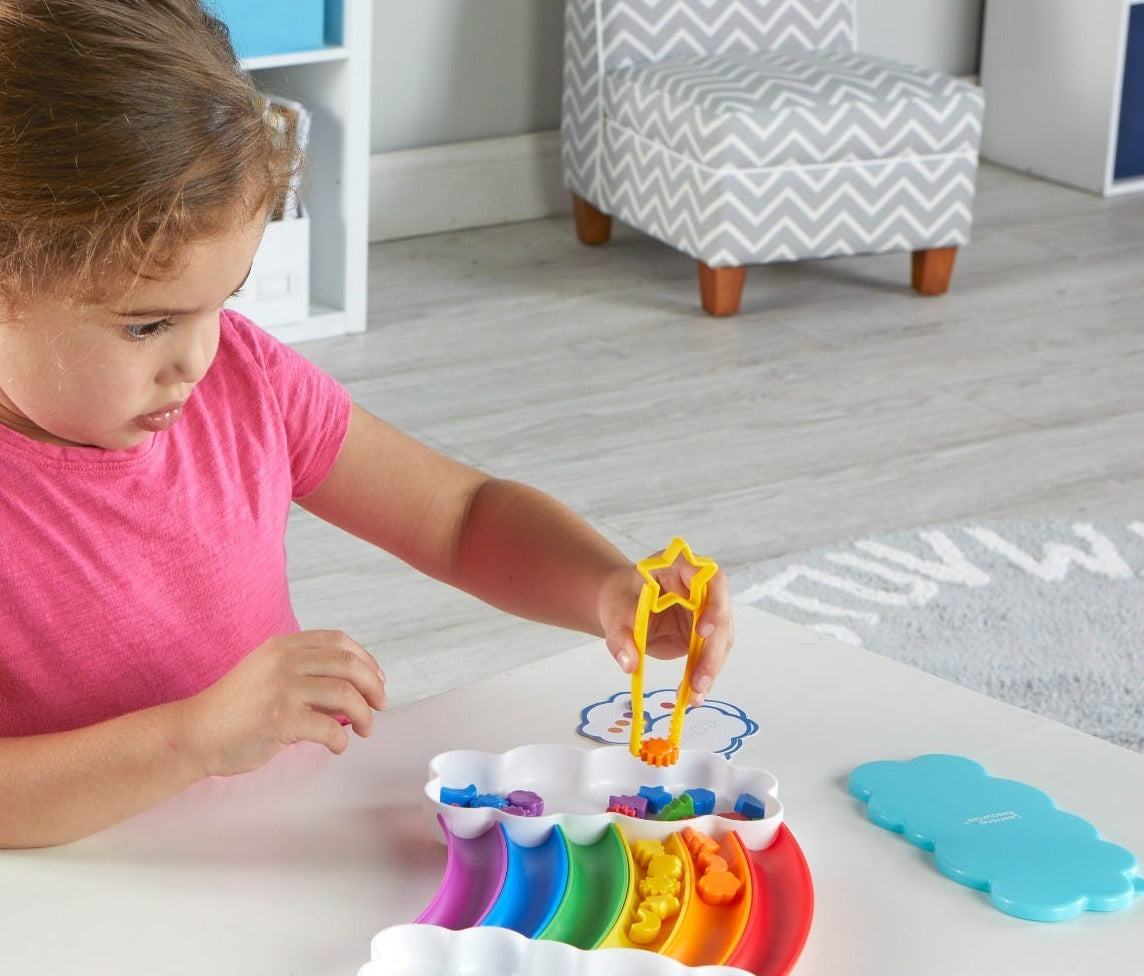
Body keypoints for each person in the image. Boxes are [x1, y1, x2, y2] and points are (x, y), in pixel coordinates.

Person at [0, 0, 733, 849]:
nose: (198, 358)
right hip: (80, 902)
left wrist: (606, 588)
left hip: (281, 843)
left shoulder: (241, 377)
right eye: (146, 324)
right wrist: (192, 736)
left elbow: (456, 517)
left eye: (222, 301)